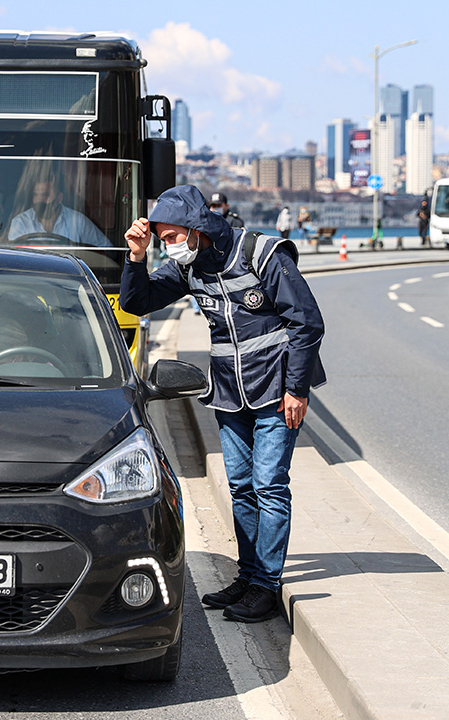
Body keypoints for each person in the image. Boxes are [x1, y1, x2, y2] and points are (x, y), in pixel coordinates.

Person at [119, 184, 326, 624]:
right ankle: (248, 576)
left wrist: (297, 389)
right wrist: (136, 257)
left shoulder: (263, 254)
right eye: (162, 240)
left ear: (196, 229)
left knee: (269, 484)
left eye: (172, 237)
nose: (168, 247)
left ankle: (267, 587)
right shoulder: (189, 267)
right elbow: (138, 302)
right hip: (232, 395)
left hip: (276, 391)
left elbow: (307, 323)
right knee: (241, 487)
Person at [7, 167, 110, 247]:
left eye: (45, 195)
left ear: (59, 198)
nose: (39, 200)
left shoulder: (77, 221)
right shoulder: (20, 222)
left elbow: (107, 249)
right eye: (35, 195)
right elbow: (14, 260)